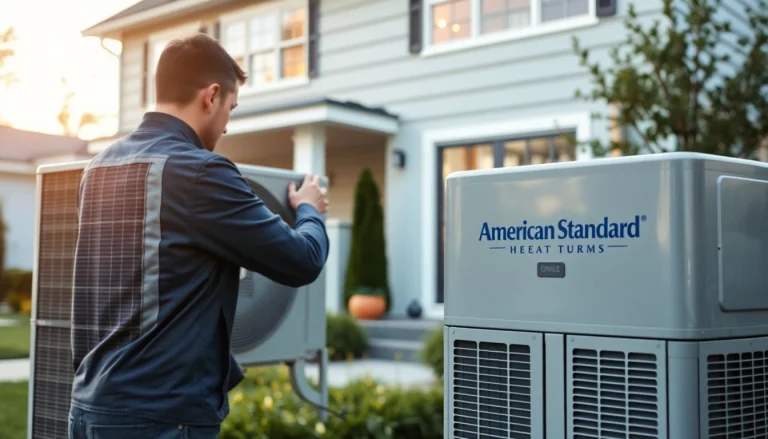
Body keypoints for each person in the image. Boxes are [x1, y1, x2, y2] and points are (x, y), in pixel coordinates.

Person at [67, 33, 330, 439]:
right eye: (231, 107)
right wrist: (309, 209)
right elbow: (302, 260)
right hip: (160, 418)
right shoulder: (201, 172)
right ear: (211, 96)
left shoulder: (97, 170)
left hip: (90, 408)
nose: (227, 125)